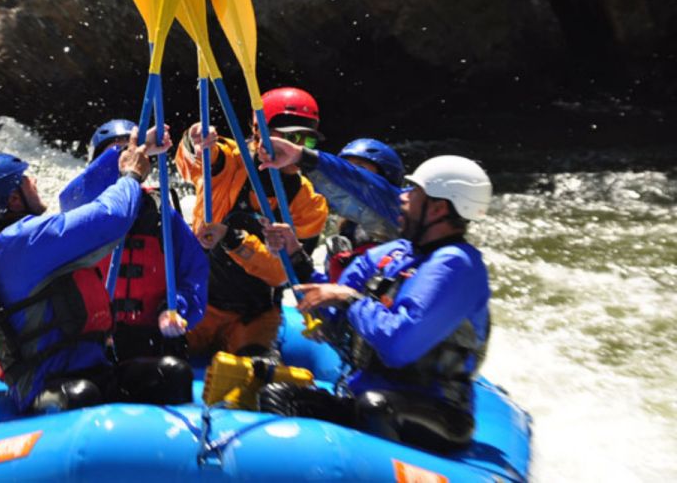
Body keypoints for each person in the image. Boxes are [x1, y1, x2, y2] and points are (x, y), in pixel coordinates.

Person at [258, 155, 493, 454]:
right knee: (280, 397)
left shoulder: (457, 266)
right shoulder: (396, 254)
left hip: (436, 411)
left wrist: (350, 300)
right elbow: (334, 303)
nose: (403, 197)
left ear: (438, 208)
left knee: (375, 407)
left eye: (413, 191)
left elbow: (397, 345)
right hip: (366, 393)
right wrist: (295, 257)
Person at [0, 127, 192, 414]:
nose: (35, 181)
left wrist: (136, 149)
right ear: (14, 199)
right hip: (48, 385)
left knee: (173, 373)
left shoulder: (17, 241)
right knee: (81, 396)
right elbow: (110, 218)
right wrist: (131, 176)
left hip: (93, 370)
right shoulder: (22, 241)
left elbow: (85, 200)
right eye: (27, 180)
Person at [175, 87, 329, 358]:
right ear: (259, 133)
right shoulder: (230, 160)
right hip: (197, 303)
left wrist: (232, 239)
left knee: (256, 375)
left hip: (252, 317)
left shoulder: (309, 203)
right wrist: (195, 142)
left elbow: (284, 275)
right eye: (291, 137)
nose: (298, 149)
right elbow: (195, 163)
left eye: (308, 142)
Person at [58, 119, 208, 360]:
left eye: (131, 154)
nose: (127, 160)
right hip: (93, 339)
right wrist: (135, 150)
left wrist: (174, 308)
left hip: (151, 337)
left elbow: (194, 275)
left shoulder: (162, 215)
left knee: (174, 373)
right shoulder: (82, 211)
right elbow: (72, 197)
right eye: (118, 155)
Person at [259, 136, 405, 282]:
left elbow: (374, 191)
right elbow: (327, 297)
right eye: (346, 167)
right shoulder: (343, 242)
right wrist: (294, 254)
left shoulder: (403, 216)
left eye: (358, 169)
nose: (344, 180)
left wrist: (303, 156)